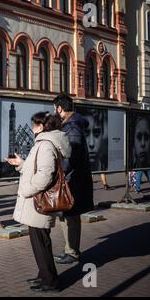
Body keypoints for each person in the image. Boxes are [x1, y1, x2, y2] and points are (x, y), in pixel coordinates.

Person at [6, 112, 71, 293]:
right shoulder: (47, 143)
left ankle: (50, 281)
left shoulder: (45, 144)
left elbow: (45, 174)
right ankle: (44, 275)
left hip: (38, 201)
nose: (33, 128)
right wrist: (21, 163)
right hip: (38, 201)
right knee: (41, 241)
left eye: (34, 125)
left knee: (40, 243)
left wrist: (27, 190)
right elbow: (38, 167)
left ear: (42, 126)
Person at [53, 94, 94, 265]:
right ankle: (70, 249)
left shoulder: (72, 128)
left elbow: (71, 156)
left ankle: (72, 252)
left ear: (60, 108)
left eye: (55, 108)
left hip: (71, 180)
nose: (54, 111)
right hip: (72, 179)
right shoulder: (72, 125)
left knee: (69, 217)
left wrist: (60, 172)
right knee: (68, 216)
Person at [131, 115, 150, 193]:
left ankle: (137, 189)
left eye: (147, 137)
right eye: (138, 137)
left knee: (139, 174)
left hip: (142, 162)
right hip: (148, 161)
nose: (143, 144)